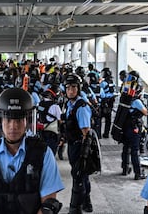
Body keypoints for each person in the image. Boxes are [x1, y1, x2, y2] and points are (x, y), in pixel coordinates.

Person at [0, 87, 64, 214]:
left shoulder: (43, 153)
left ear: (27, 121)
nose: (13, 126)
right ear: (0, 120)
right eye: (8, 119)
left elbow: (48, 203)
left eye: (19, 120)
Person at [62, 74, 93, 213]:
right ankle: (87, 203)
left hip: (80, 146)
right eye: (68, 88)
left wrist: (84, 154)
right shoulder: (69, 104)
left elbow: (86, 132)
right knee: (82, 175)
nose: (70, 90)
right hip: (72, 144)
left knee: (78, 176)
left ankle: (76, 208)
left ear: (79, 88)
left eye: (74, 87)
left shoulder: (81, 107)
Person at [120, 76, 148, 180]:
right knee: (134, 150)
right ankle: (138, 173)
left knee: (126, 148)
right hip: (134, 128)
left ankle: (125, 168)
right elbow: (146, 112)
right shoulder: (136, 102)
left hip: (125, 127)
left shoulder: (125, 98)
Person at [37, 84, 62, 156]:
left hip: (40, 133)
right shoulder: (55, 106)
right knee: (50, 156)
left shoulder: (40, 104)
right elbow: (60, 120)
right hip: (52, 134)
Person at [99, 67, 115, 138]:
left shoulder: (103, 83)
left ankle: (99, 133)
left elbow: (100, 92)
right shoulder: (112, 82)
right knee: (108, 119)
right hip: (111, 101)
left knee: (100, 118)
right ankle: (106, 134)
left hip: (104, 101)